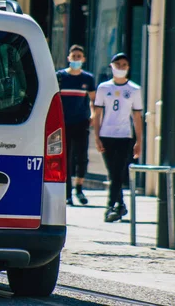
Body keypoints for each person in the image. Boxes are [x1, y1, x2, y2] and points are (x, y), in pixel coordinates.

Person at [94, 53, 143, 223]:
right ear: (112, 66)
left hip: (124, 136)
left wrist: (139, 141)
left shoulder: (134, 90)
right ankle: (120, 204)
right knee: (113, 172)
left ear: (128, 68)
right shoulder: (103, 88)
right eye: (118, 64)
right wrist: (97, 136)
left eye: (124, 64)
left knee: (117, 173)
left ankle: (110, 206)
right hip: (107, 135)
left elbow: (137, 117)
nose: (121, 67)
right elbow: (97, 114)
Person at [57, 45, 96, 206]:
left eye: (79, 56)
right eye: (73, 56)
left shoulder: (87, 78)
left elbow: (94, 99)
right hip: (63, 123)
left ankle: (79, 188)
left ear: (84, 59)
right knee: (65, 158)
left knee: (81, 157)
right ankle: (67, 193)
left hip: (81, 121)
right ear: (68, 58)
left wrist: (93, 115)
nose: (76, 59)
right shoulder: (60, 77)